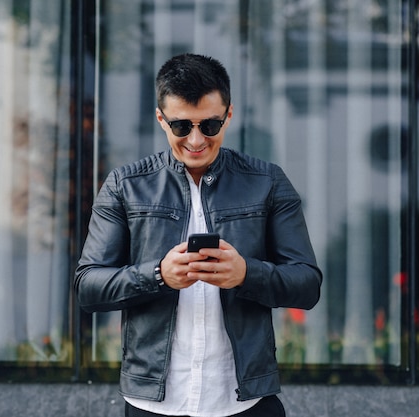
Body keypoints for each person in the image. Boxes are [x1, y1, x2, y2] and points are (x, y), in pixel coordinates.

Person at [75, 53, 322, 417]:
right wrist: (159, 275)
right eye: (180, 126)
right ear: (161, 119)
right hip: (154, 402)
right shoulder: (125, 185)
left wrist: (246, 274)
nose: (195, 140)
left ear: (229, 115)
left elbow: (307, 284)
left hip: (244, 400)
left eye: (209, 125)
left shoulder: (267, 182)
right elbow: (88, 287)